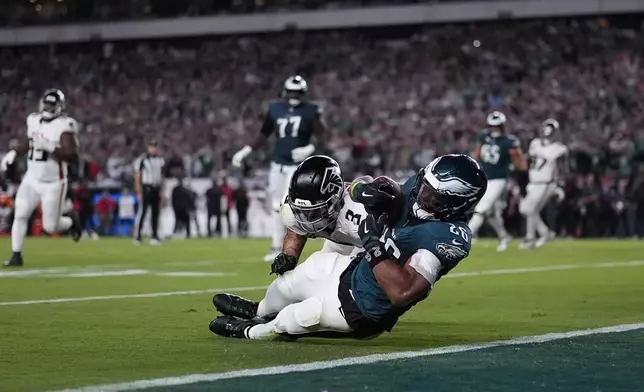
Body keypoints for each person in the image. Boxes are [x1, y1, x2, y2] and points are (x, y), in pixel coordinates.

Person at [209, 154, 487, 341]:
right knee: (292, 282)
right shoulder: (419, 189)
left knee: (299, 316)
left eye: (434, 197)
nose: (422, 195)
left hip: (363, 305)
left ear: (459, 204)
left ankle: (253, 331)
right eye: (424, 186)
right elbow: (390, 190)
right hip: (356, 267)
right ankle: (259, 309)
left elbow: (402, 292)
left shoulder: (447, 237)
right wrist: (368, 189)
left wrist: (373, 244)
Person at [231, 76, 327, 262]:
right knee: (276, 206)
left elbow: (323, 135)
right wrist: (245, 151)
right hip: (278, 165)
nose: (294, 96)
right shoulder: (275, 109)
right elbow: (263, 134)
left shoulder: (310, 111)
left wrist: (311, 148)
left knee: (287, 205)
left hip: (297, 167)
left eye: (297, 93)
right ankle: (276, 245)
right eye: (292, 92)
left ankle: (288, 248)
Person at [268, 155, 399, 276]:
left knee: (344, 282)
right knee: (313, 274)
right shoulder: (293, 210)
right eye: (302, 211)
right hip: (338, 242)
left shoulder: (358, 214)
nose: (307, 218)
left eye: (314, 211)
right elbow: (295, 229)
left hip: (366, 242)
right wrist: (288, 256)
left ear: (335, 199)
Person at [1, 89, 82, 267]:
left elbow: (72, 156)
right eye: (46, 104)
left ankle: (71, 220)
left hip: (53, 182)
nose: (47, 108)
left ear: (59, 107)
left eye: (51, 105)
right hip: (32, 178)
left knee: (50, 227)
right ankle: (16, 255)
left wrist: (51, 147)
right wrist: (15, 153)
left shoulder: (65, 125)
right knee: (20, 214)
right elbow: (31, 143)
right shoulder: (33, 120)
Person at [469, 111, 528, 252]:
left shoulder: (509, 142)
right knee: (491, 213)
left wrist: (521, 177)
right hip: (484, 178)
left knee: (482, 208)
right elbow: (476, 154)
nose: (494, 129)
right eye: (492, 126)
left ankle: (465, 236)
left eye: (497, 127)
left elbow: (521, 163)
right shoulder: (483, 137)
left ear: (502, 127)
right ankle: (504, 236)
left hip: (499, 179)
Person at [519, 119, 568, 249]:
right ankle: (545, 233)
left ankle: (530, 239)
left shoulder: (559, 148)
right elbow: (530, 157)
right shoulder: (535, 143)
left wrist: (560, 186)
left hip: (547, 183)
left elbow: (561, 166)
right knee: (527, 209)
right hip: (533, 181)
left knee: (529, 209)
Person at [133, 139, 165, 245]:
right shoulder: (142, 159)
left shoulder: (160, 159)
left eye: (155, 147)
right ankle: (137, 236)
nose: (153, 149)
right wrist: (138, 190)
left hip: (156, 187)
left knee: (155, 213)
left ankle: (154, 235)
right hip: (146, 188)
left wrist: (162, 190)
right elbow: (138, 175)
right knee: (143, 212)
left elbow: (161, 175)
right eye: (151, 146)